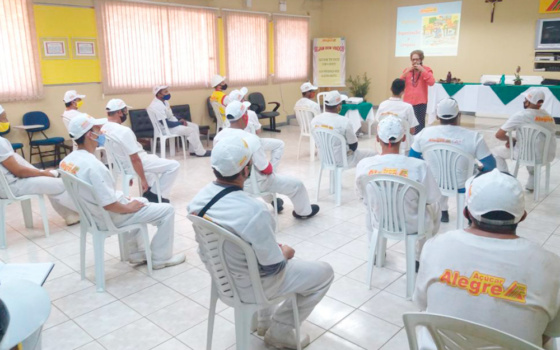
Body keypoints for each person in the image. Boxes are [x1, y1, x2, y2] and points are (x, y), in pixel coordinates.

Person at [188, 136, 334, 349]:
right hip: (253, 287)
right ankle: (280, 330)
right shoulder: (254, 210)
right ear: (247, 170)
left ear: (214, 168)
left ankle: (263, 322)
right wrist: (285, 252)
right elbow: (273, 266)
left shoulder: (197, 201)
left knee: (258, 259)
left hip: (223, 281)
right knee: (324, 273)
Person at [414, 169, 560, 348]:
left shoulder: (435, 246)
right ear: (522, 216)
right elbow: (552, 330)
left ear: (467, 213)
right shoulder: (552, 267)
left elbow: (422, 303)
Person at [60, 114, 185, 269]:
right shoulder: (94, 166)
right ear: (89, 135)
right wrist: (128, 207)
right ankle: (160, 258)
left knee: (141, 200)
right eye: (97, 129)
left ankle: (135, 253)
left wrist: (125, 200)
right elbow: (109, 204)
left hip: (91, 215)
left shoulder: (67, 161)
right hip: (109, 216)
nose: (101, 132)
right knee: (168, 211)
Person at [355, 116, 441, 263]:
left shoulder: (364, 165)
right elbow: (431, 198)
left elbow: (362, 196)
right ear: (403, 139)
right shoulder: (419, 166)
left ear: (377, 139)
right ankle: (419, 257)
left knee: (369, 210)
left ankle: (375, 252)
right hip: (413, 224)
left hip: (379, 221)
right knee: (435, 207)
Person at [214, 101, 319, 219]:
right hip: (253, 184)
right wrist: (272, 171)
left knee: (265, 179)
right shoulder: (251, 139)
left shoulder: (218, 137)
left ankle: (273, 200)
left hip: (229, 184)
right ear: (245, 116)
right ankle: (303, 212)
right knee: (296, 185)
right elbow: (265, 169)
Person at [409, 98, 496, 223]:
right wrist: (479, 169)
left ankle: (443, 210)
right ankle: (471, 212)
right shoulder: (473, 137)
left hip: (434, 182)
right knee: (470, 172)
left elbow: (412, 160)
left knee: (438, 169)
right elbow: (491, 166)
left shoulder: (424, 134)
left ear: (438, 116)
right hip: (463, 185)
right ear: (459, 115)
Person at [0, 105, 79, 226]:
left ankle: (71, 216)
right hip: (13, 185)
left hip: (7, 185)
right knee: (61, 184)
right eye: (4, 119)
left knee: (50, 180)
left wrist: (40, 172)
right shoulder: (1, 143)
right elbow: (18, 171)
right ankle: (85, 212)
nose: (6, 122)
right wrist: (43, 173)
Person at [102, 99, 180, 203]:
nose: (126, 114)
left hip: (123, 165)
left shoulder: (104, 128)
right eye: (125, 111)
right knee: (174, 166)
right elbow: (135, 159)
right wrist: (142, 179)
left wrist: (127, 171)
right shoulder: (124, 131)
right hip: (139, 161)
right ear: (119, 112)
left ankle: (151, 193)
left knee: (153, 168)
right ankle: (155, 196)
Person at [492, 88, 557, 191]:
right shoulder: (549, 117)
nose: (524, 101)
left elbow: (499, 135)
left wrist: (512, 140)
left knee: (496, 152)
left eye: (525, 99)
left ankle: (506, 181)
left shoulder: (521, 115)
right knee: (534, 148)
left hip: (524, 154)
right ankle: (532, 184)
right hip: (546, 155)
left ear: (528, 102)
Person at [311, 90, 376, 167]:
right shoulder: (344, 121)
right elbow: (354, 146)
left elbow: (316, 143)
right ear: (339, 106)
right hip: (342, 160)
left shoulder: (315, 120)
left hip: (323, 158)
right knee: (373, 154)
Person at [227, 87, 285, 169]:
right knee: (280, 144)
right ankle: (272, 170)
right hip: (253, 144)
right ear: (242, 101)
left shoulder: (227, 116)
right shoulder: (250, 113)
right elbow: (258, 131)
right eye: (244, 98)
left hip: (236, 146)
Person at [147, 85, 211, 157]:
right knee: (191, 130)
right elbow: (166, 123)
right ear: (159, 94)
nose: (168, 93)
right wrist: (179, 123)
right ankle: (201, 152)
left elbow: (170, 115)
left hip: (171, 124)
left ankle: (193, 150)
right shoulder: (157, 105)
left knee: (194, 126)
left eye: (167, 91)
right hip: (166, 129)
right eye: (165, 92)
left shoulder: (164, 102)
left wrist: (179, 119)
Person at [374, 78, 419, 154]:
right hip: (403, 144)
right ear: (403, 91)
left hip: (385, 140)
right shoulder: (408, 107)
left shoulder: (382, 105)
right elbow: (412, 130)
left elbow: (378, 123)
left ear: (391, 89)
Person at [400, 50, 435, 133]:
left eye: (417, 59)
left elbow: (431, 82)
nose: (415, 61)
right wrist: (406, 72)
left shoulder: (427, 69)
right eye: (413, 60)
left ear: (421, 59)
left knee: (419, 126)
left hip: (420, 103)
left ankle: (418, 143)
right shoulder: (407, 70)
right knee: (407, 125)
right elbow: (400, 82)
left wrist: (423, 70)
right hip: (407, 103)